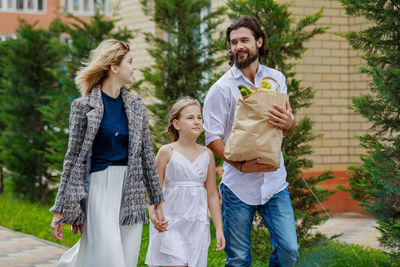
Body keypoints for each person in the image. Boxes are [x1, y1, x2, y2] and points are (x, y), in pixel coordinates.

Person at [49, 39, 166, 267]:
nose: (134, 67)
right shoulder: (82, 106)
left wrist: (156, 203)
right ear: (114, 66)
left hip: (130, 194)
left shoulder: (135, 105)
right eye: (130, 62)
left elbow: (146, 158)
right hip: (99, 192)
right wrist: (60, 209)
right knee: (110, 261)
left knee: (126, 260)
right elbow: (72, 159)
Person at [203, 16, 299, 267]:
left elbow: (287, 127)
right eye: (234, 42)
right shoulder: (222, 88)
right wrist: (241, 165)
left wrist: (289, 124)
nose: (238, 46)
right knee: (238, 260)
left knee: (289, 250)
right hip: (238, 188)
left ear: (259, 41)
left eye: (244, 40)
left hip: (275, 183)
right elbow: (212, 138)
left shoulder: (277, 78)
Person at [145, 97, 225, 267]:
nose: (196, 121)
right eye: (190, 118)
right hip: (171, 221)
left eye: (199, 117)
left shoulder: (207, 154)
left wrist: (219, 228)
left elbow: (211, 194)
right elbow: (154, 189)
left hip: (197, 223)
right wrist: (153, 214)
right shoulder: (167, 151)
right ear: (177, 124)